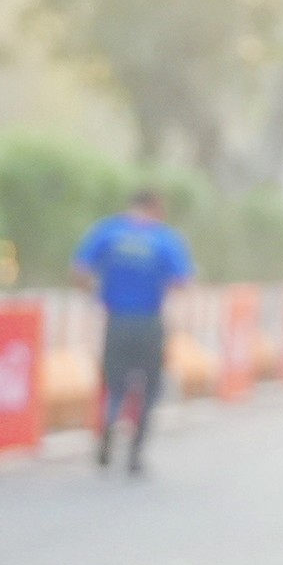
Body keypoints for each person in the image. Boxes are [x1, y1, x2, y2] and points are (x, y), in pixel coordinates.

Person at [70, 187, 192, 476]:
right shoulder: (165, 239)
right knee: (148, 389)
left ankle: (108, 431)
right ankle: (135, 454)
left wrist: (97, 296)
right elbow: (182, 281)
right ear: (155, 207)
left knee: (114, 385)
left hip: (117, 321)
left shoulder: (107, 232)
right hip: (149, 322)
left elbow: (79, 270)